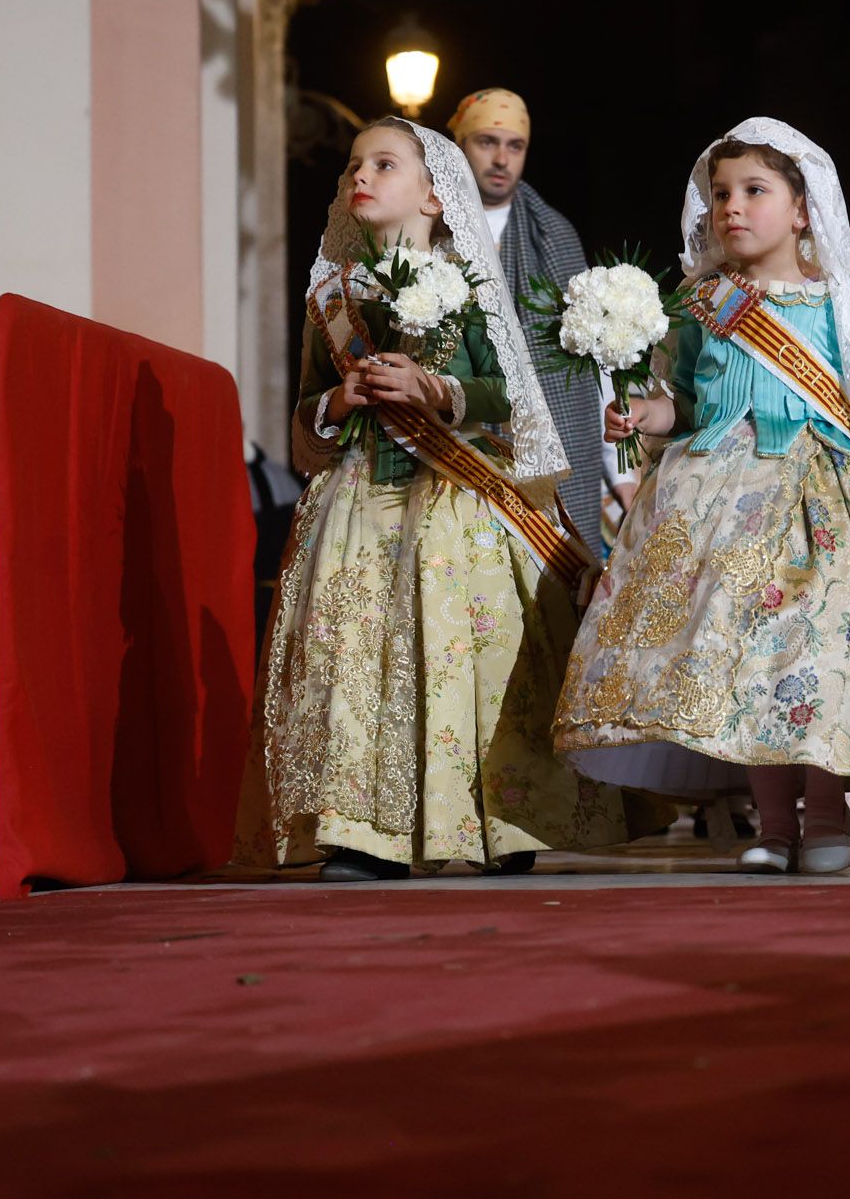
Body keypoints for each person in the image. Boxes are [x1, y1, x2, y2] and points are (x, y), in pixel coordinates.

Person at [553, 118, 850, 874]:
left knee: (820, 657)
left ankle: (827, 812)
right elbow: (680, 401)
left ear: (803, 207)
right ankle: (773, 822)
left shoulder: (841, 302)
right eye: (721, 194)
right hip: (718, 499)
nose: (732, 208)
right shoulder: (701, 305)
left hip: (826, 499)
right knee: (746, 661)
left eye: (755, 190)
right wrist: (642, 415)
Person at [237, 118, 665, 881]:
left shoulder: (470, 286)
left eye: (384, 163)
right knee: (355, 662)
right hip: (359, 501)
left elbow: (509, 394)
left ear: (436, 196)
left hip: (460, 501)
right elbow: (305, 415)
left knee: (478, 659)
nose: (358, 175)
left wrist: (436, 389)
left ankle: (502, 821)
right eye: (352, 164)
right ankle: (360, 833)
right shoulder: (331, 300)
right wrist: (339, 400)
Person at [448, 88, 601, 527]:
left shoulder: (554, 235)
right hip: (459, 436)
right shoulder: (431, 223)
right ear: (459, 145)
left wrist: (618, 468)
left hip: (550, 441)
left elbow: (592, 360)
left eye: (515, 146)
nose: (502, 159)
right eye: (487, 142)